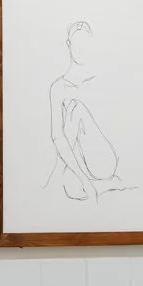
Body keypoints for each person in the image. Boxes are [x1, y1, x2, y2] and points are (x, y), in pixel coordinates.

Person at [45, 20, 128, 201]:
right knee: (72, 187)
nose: (81, 49)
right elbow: (56, 136)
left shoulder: (99, 79)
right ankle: (102, 185)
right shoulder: (57, 87)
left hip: (102, 160)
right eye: (77, 44)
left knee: (75, 108)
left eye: (85, 44)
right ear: (68, 45)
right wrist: (84, 180)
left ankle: (91, 181)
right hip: (77, 160)